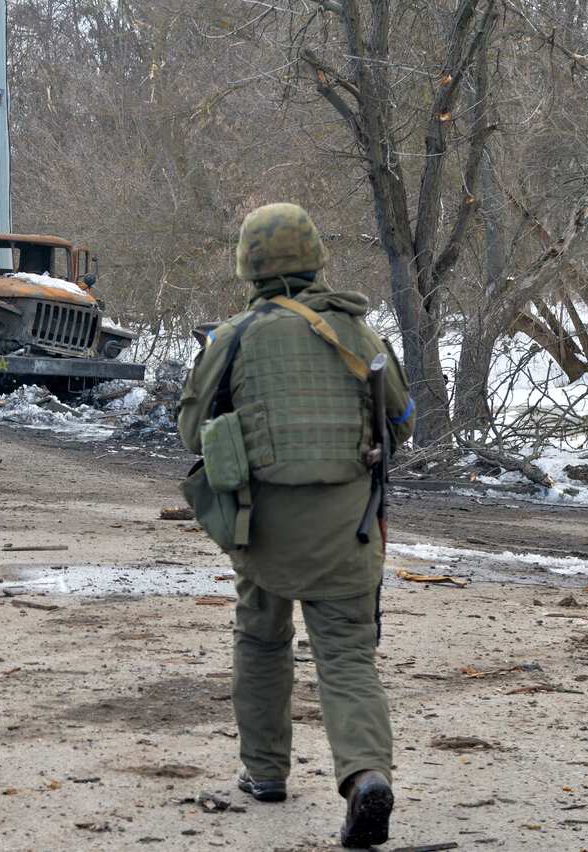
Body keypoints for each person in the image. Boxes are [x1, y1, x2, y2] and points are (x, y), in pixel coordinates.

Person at [177, 202, 415, 848]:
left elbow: (189, 427)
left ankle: (265, 774)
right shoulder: (360, 335)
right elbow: (401, 422)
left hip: (263, 526)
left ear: (248, 266)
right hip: (350, 528)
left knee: (260, 637)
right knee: (346, 656)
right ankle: (366, 775)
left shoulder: (235, 337)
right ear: (315, 258)